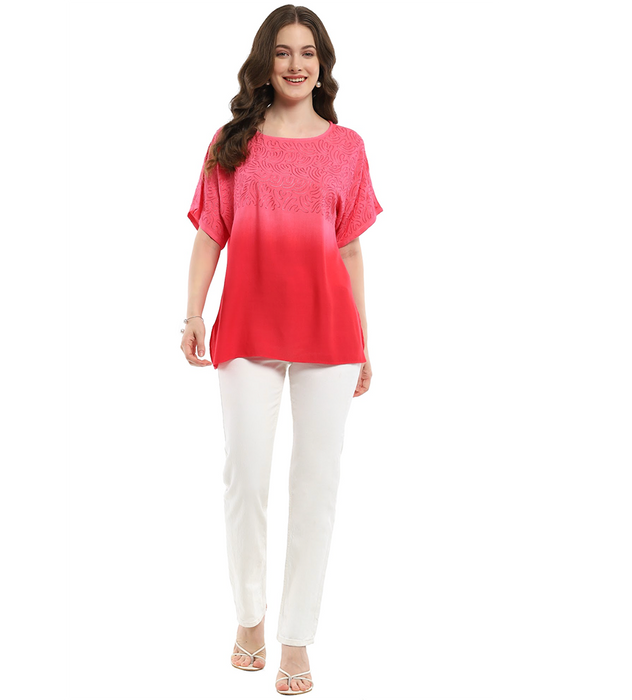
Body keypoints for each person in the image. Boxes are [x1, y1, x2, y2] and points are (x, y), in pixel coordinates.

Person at [180, 4, 382, 694]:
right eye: (284, 51)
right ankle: (249, 618)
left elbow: (350, 249)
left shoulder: (347, 146)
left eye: (308, 52)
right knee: (245, 477)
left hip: (329, 333)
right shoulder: (232, 141)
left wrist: (365, 339)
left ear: (322, 65)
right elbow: (210, 233)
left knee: (316, 487)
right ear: (265, 62)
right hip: (247, 327)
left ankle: (297, 638)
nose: (297, 64)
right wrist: (192, 314)